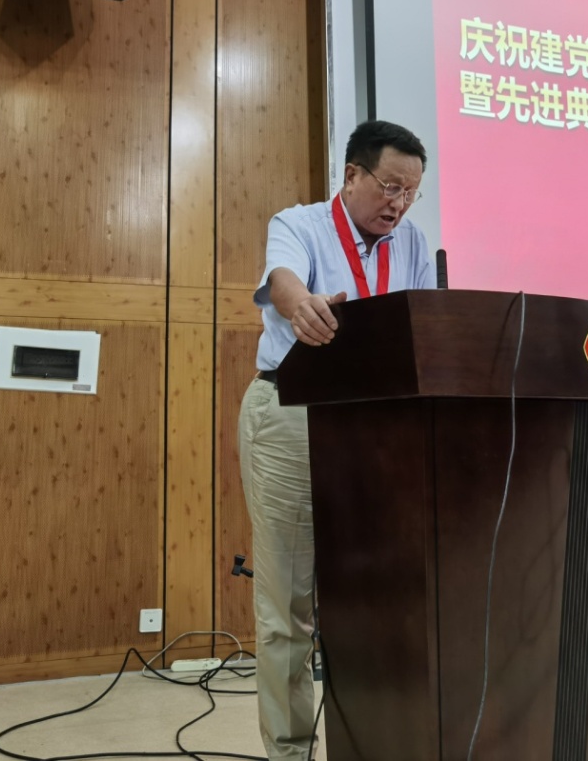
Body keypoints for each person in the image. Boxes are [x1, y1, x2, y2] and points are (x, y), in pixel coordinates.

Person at [237, 120, 435, 759]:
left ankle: (370, 743)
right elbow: (284, 283)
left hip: (375, 426)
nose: (399, 203)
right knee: (288, 606)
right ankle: (291, 751)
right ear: (352, 175)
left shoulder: (412, 242)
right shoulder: (299, 224)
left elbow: (424, 328)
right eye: (389, 186)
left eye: (411, 192)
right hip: (292, 413)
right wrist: (303, 305)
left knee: (375, 597)